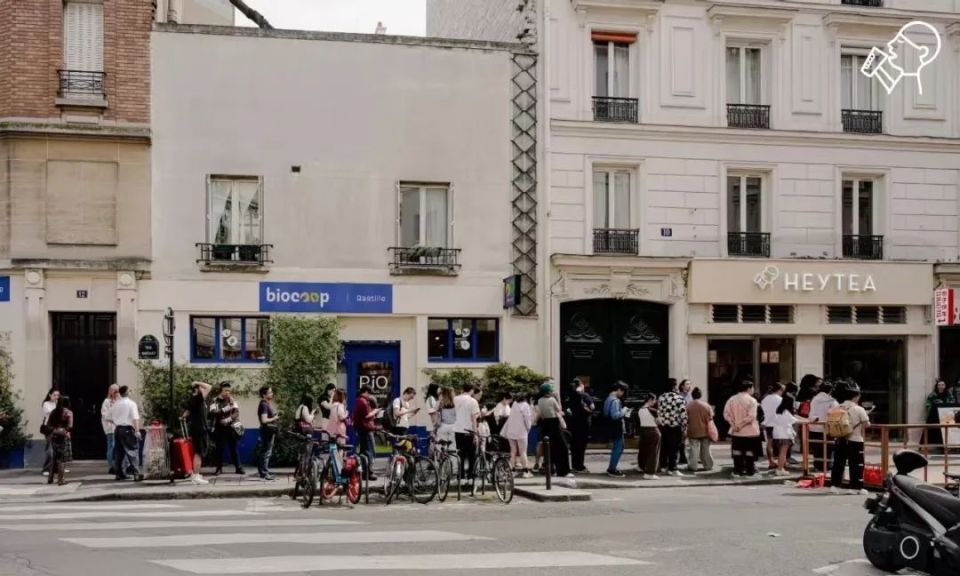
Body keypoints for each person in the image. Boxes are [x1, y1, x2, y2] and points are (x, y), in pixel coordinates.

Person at [831, 383, 871, 493]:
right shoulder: (859, 409)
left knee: (838, 463)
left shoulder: (837, 407)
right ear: (855, 397)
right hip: (855, 439)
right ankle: (855, 487)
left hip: (840, 439)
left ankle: (835, 485)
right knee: (856, 464)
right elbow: (867, 424)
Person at [723, 380, 760, 478]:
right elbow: (752, 416)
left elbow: (726, 414)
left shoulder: (731, 399)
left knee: (737, 450)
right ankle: (750, 470)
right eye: (752, 388)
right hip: (750, 431)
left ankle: (737, 470)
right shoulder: (752, 400)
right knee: (750, 451)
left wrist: (733, 424)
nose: (753, 389)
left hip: (736, 431)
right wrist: (741, 424)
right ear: (749, 388)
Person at [534, 381, 572, 478]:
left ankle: (550, 470)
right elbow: (559, 409)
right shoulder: (552, 399)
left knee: (550, 448)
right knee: (563, 447)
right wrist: (558, 398)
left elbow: (541, 414)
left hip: (545, 424)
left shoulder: (539, 400)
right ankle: (563, 471)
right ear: (548, 392)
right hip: (554, 423)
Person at [181, 381, 212, 485]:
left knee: (198, 452)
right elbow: (209, 387)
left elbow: (186, 413)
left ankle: (196, 474)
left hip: (197, 428)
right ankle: (195, 475)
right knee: (199, 453)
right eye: (201, 388)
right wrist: (197, 382)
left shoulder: (193, 399)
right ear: (198, 389)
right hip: (200, 429)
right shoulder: (198, 398)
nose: (203, 389)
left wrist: (183, 417)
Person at [209, 382, 243, 476]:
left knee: (234, 448)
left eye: (229, 390)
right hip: (219, 428)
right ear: (221, 390)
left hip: (231, 427)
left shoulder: (232, 400)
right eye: (225, 390)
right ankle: (219, 468)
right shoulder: (214, 400)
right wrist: (226, 408)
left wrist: (227, 419)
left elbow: (236, 413)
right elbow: (213, 413)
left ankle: (238, 467)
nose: (228, 392)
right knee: (219, 449)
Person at [111, 385, 143, 481]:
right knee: (132, 451)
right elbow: (135, 418)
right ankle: (136, 473)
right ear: (127, 392)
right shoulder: (131, 403)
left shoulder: (115, 404)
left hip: (117, 429)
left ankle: (119, 474)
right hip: (127, 429)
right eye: (130, 390)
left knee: (119, 452)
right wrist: (137, 430)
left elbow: (108, 416)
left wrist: (118, 422)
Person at [657, 378, 688, 476]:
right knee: (674, 448)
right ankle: (672, 468)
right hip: (675, 425)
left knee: (664, 447)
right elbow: (683, 414)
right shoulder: (678, 398)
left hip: (664, 425)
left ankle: (663, 465)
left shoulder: (661, 397)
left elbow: (659, 411)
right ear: (674, 386)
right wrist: (684, 427)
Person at [771, 395, 807, 476]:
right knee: (783, 453)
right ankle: (780, 469)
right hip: (784, 435)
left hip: (777, 434)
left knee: (781, 453)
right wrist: (808, 420)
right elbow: (795, 420)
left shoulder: (780, 410)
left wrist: (807, 420)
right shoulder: (786, 412)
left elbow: (794, 417)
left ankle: (781, 468)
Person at [453, 383, 482, 480]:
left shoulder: (455, 399)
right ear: (472, 390)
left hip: (457, 430)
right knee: (471, 455)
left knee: (460, 454)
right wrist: (476, 434)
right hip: (469, 431)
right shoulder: (473, 401)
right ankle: (470, 477)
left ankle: (460, 476)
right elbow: (474, 418)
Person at [808, 381, 838, 474]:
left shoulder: (814, 399)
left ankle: (817, 465)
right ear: (830, 390)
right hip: (827, 427)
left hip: (814, 426)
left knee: (817, 448)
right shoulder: (831, 401)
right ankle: (827, 465)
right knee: (828, 448)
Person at [351, 385, 380, 481]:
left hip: (361, 429)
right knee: (370, 451)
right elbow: (367, 415)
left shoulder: (359, 400)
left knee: (363, 451)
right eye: (369, 393)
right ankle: (369, 472)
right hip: (366, 429)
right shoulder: (363, 401)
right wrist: (375, 411)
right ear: (366, 392)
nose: (370, 396)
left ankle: (364, 472)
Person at [502, 393, 533, 478]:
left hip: (511, 430)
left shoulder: (514, 404)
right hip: (521, 431)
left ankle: (512, 471)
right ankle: (525, 471)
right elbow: (527, 419)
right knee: (523, 452)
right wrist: (528, 428)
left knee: (513, 451)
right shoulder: (525, 405)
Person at [603, 381, 629, 477]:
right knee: (618, 447)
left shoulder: (608, 399)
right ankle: (612, 469)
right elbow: (615, 415)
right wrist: (624, 410)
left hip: (611, 426)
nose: (623, 394)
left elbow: (606, 413)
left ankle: (612, 467)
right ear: (618, 390)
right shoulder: (615, 401)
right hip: (616, 427)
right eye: (623, 391)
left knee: (618, 447)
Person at [568, 379, 594, 473]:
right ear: (580, 386)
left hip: (573, 423)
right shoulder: (584, 395)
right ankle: (580, 466)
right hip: (583, 423)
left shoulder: (570, 395)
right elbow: (592, 407)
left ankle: (574, 465)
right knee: (581, 445)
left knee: (574, 445)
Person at [46, 396, 73, 485]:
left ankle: (50, 478)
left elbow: (48, 424)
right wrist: (64, 430)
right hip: (63, 436)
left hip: (54, 436)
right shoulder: (68, 412)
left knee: (54, 457)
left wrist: (54, 430)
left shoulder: (53, 412)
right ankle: (61, 480)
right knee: (62, 458)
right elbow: (70, 426)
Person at [686, 387, 714, 473]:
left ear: (692, 395)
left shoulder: (688, 405)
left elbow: (685, 418)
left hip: (692, 430)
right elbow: (711, 417)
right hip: (705, 430)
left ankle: (693, 466)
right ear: (700, 395)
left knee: (693, 449)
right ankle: (708, 465)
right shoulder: (706, 405)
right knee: (706, 449)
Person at [256, 386, 280, 481]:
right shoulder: (264, 404)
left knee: (265, 451)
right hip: (267, 431)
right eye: (270, 392)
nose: (272, 394)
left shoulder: (265, 404)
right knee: (266, 452)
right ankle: (264, 473)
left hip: (267, 430)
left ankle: (263, 471)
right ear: (264, 395)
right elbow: (264, 420)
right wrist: (274, 418)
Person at [635, 393, 661, 479]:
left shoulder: (640, 410)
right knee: (653, 452)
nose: (655, 402)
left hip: (643, 430)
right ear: (650, 400)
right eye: (654, 400)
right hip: (653, 431)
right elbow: (659, 422)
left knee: (643, 450)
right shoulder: (653, 411)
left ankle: (641, 466)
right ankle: (649, 473)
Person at [926, 379, 955, 451]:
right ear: (937, 386)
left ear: (945, 386)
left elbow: (952, 404)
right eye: (939, 385)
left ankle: (947, 446)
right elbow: (927, 405)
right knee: (937, 432)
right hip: (935, 417)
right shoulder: (932, 395)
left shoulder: (949, 395)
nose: (941, 386)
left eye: (942, 385)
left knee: (946, 431)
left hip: (946, 417)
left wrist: (943, 404)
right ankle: (939, 446)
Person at [760, 383, 784, 470]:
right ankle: (781, 462)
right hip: (778, 423)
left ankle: (771, 462)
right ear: (780, 390)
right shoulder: (780, 399)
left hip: (768, 423)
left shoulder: (765, 399)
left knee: (769, 443)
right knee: (781, 444)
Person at [100, 384, 119, 475]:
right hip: (110, 427)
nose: (116, 393)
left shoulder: (119, 401)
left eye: (117, 391)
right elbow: (104, 414)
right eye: (115, 391)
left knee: (117, 446)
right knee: (112, 445)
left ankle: (118, 465)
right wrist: (113, 419)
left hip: (118, 426)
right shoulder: (107, 401)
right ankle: (112, 466)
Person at [41, 388, 60, 476]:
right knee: (50, 449)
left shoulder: (57, 403)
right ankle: (46, 468)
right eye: (54, 395)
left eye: (57, 395)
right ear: (50, 395)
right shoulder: (46, 404)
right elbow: (51, 413)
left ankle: (56, 469)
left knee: (57, 449)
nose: (56, 397)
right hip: (49, 427)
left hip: (57, 427)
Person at [677, 379, 693, 466]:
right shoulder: (679, 396)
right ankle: (682, 457)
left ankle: (689, 457)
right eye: (687, 384)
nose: (689, 386)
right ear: (682, 386)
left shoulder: (690, 395)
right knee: (682, 439)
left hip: (690, 419)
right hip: (682, 420)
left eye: (690, 384)